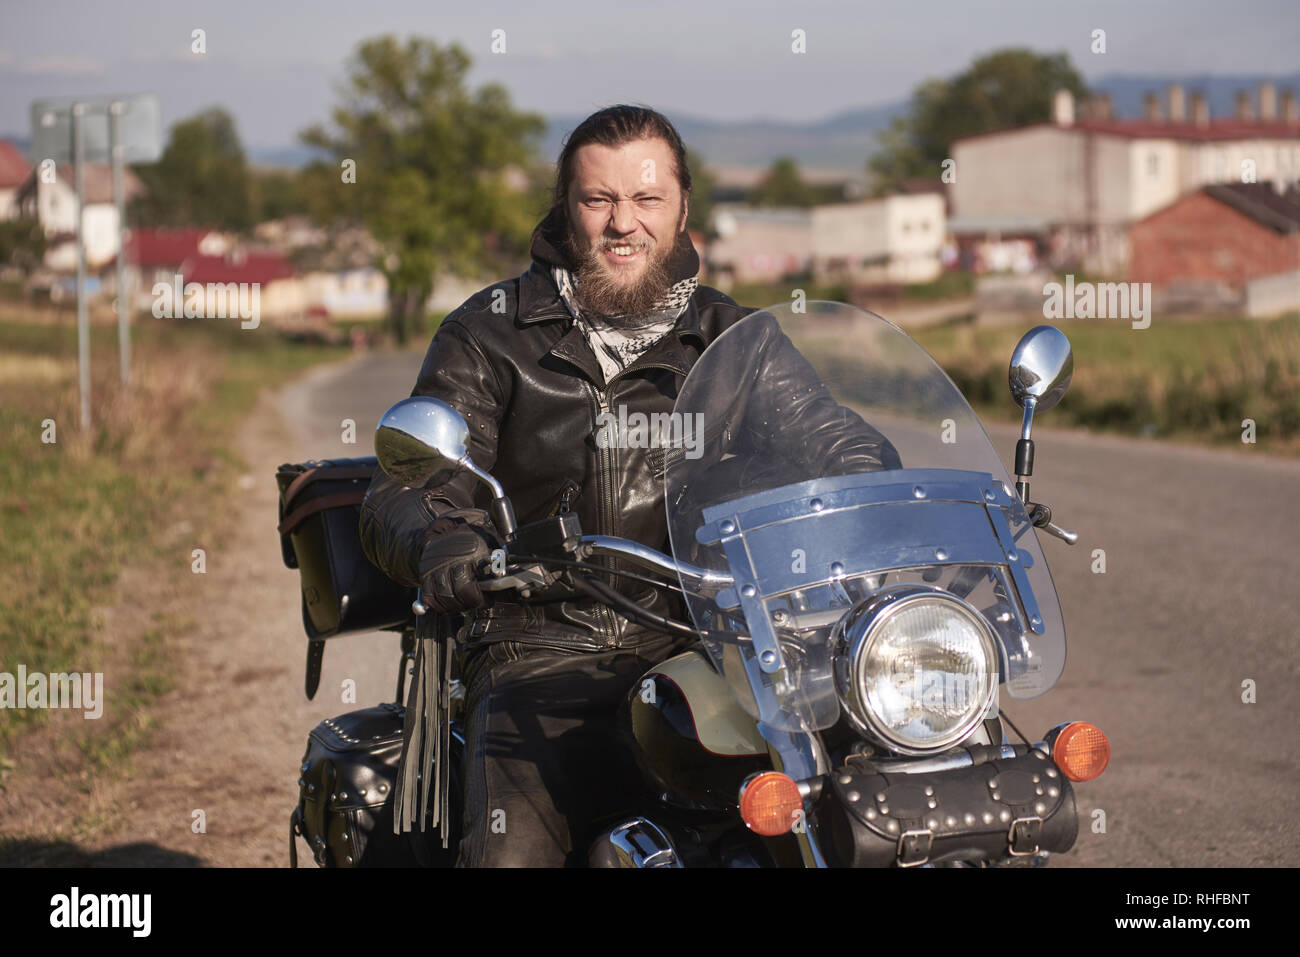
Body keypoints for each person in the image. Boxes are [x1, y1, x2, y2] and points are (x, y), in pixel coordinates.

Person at [359, 105, 896, 867]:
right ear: (567, 211)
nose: (623, 223)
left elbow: (831, 436)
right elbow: (406, 485)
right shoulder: (489, 334)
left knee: (846, 803)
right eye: (599, 200)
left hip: (709, 645)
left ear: (682, 212)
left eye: (646, 200)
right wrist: (444, 534)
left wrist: (871, 492)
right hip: (540, 652)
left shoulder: (736, 340)